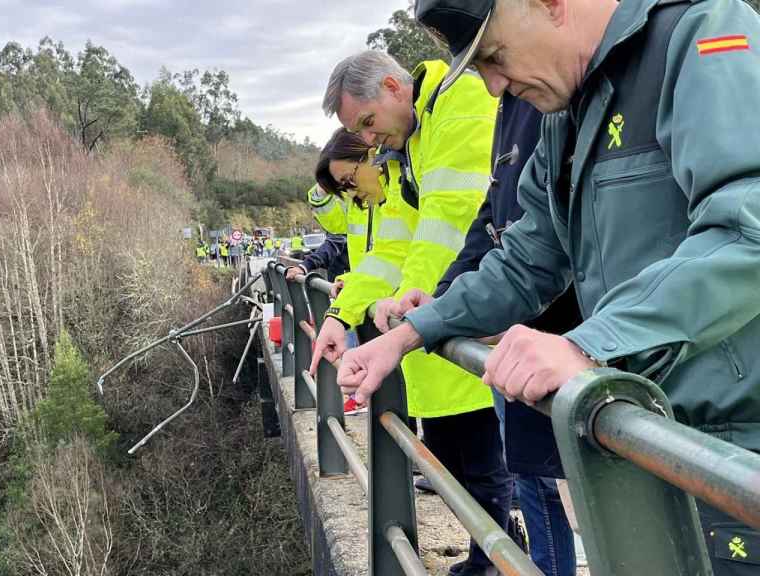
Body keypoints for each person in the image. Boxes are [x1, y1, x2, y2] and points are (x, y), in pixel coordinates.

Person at [339, 0, 760, 574]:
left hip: (733, 456)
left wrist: (589, 346)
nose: (493, 86)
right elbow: (525, 260)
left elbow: (747, 231)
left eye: (493, 55)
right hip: (641, 447)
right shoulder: (565, 113)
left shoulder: (701, 37)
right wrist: (410, 333)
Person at [320, 54, 511, 576]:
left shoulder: (457, 104)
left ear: (391, 86)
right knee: (458, 467)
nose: (370, 138)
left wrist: (410, 307)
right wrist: (341, 313)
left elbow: (450, 223)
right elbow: (395, 251)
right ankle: (488, 558)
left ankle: (499, 561)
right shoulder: (411, 145)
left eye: (366, 123)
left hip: (471, 327)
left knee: (500, 474)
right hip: (436, 334)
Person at [390, 91, 580, 576]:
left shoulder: (539, 94)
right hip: (515, 344)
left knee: (556, 491)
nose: (491, 81)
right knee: (539, 485)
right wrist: (441, 300)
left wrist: (591, 343)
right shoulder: (509, 102)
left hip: (559, 349)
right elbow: (498, 225)